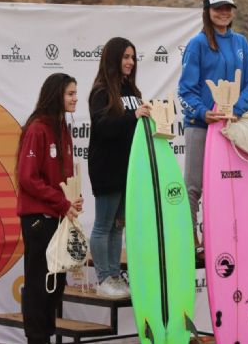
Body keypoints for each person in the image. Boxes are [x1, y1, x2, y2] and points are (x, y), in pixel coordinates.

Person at [177, 0, 248, 255]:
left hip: (232, 126)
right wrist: (203, 112)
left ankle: (225, 234)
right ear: (208, 12)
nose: (223, 12)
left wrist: (237, 109)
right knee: (194, 184)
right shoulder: (197, 45)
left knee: (230, 183)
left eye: (228, 8)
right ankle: (191, 237)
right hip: (201, 125)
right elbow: (185, 90)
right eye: (218, 8)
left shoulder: (241, 44)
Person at [16, 72, 83, 344]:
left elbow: (62, 177)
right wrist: (61, 201)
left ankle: (45, 336)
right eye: (70, 93)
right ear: (56, 95)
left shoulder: (62, 127)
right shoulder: (37, 129)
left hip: (58, 217)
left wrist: (72, 199)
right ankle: (36, 338)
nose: (75, 98)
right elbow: (27, 178)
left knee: (55, 285)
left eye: (76, 93)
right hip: (38, 220)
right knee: (38, 283)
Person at [88, 36, 151, 298]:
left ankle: (115, 274)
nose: (130, 62)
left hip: (129, 168)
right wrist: (132, 116)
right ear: (114, 58)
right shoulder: (101, 91)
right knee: (103, 224)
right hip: (107, 167)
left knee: (118, 225)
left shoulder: (133, 92)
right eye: (125, 57)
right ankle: (103, 277)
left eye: (133, 57)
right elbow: (102, 126)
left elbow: (134, 127)